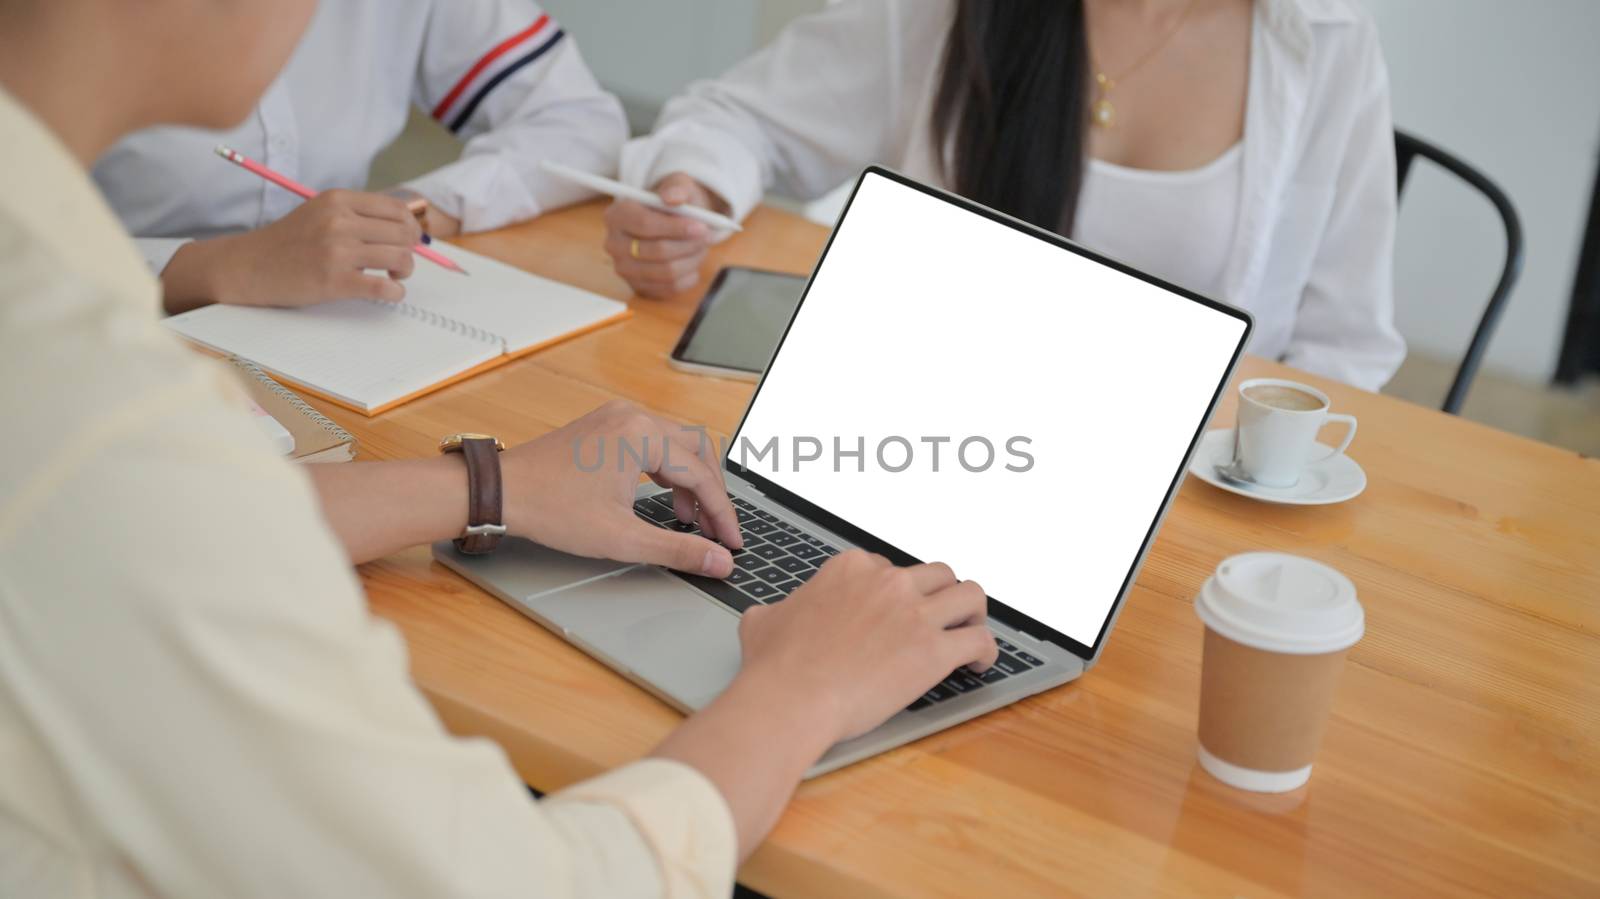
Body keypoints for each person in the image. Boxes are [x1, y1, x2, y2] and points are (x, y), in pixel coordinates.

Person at [0, 1, 997, 895]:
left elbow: (181, 524)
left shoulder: (59, 333)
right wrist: (802, 690)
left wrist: (487, 483)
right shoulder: (99, 411)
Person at [605, 0, 1407, 392]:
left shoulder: (1326, 39)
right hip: (919, 438)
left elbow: (1345, 346)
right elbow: (739, 117)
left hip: (1179, 502)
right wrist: (690, 188)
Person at [93, 0, 630, 315]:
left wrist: (399, 215)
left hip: (325, 325)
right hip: (101, 326)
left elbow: (580, 121)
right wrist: (221, 268)